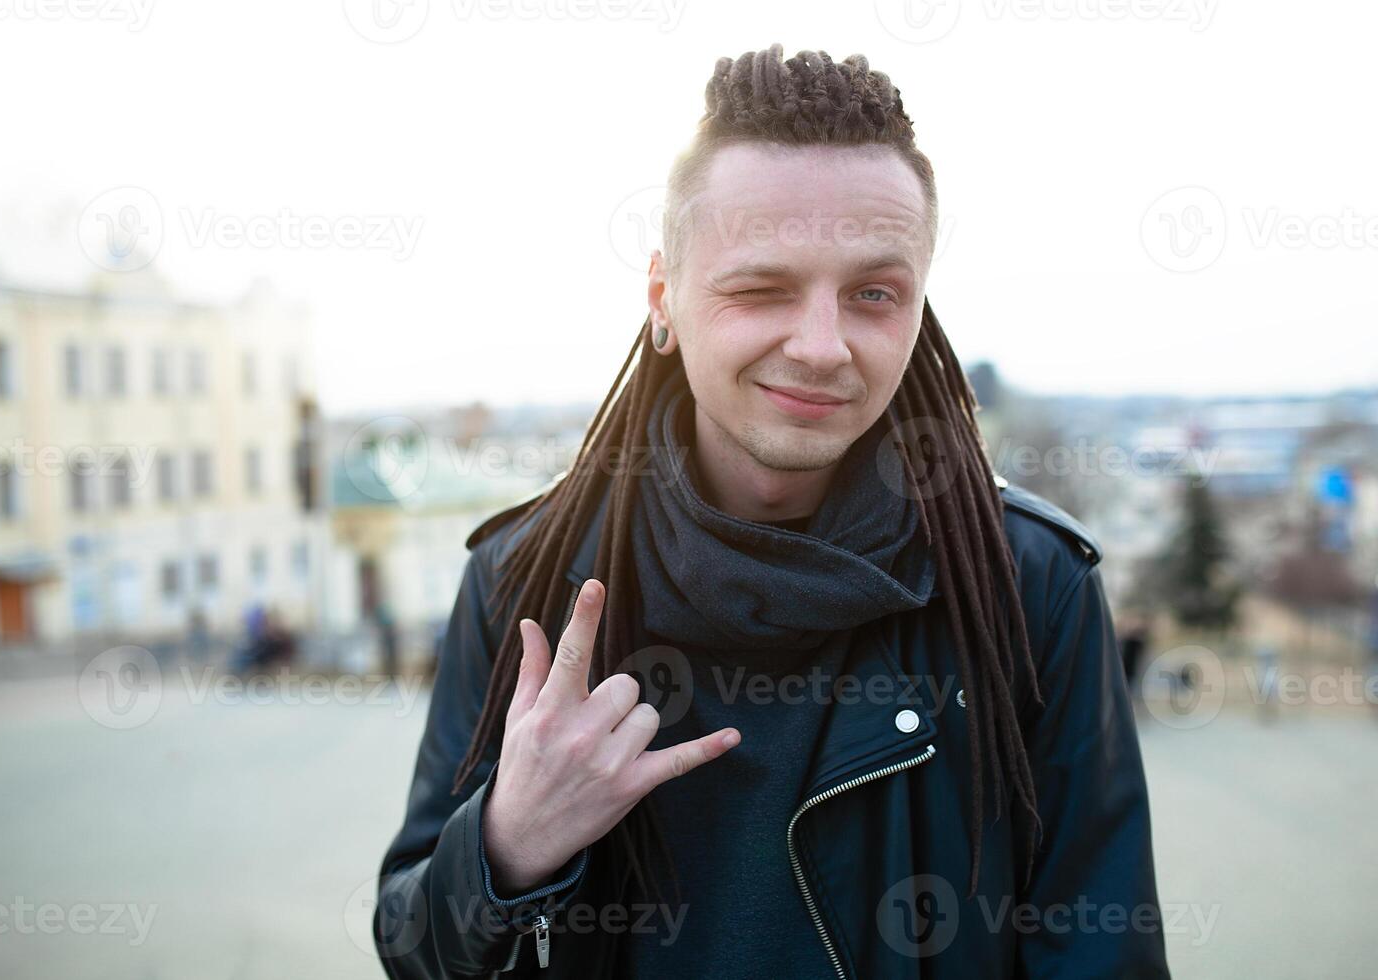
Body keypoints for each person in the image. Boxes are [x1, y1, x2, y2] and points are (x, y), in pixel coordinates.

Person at [375, 44, 1168, 979]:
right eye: (762, 288)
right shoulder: (527, 575)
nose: (824, 346)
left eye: (874, 293)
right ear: (664, 299)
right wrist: (505, 844)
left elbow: (1103, 954)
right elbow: (413, 948)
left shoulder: (1028, 585)